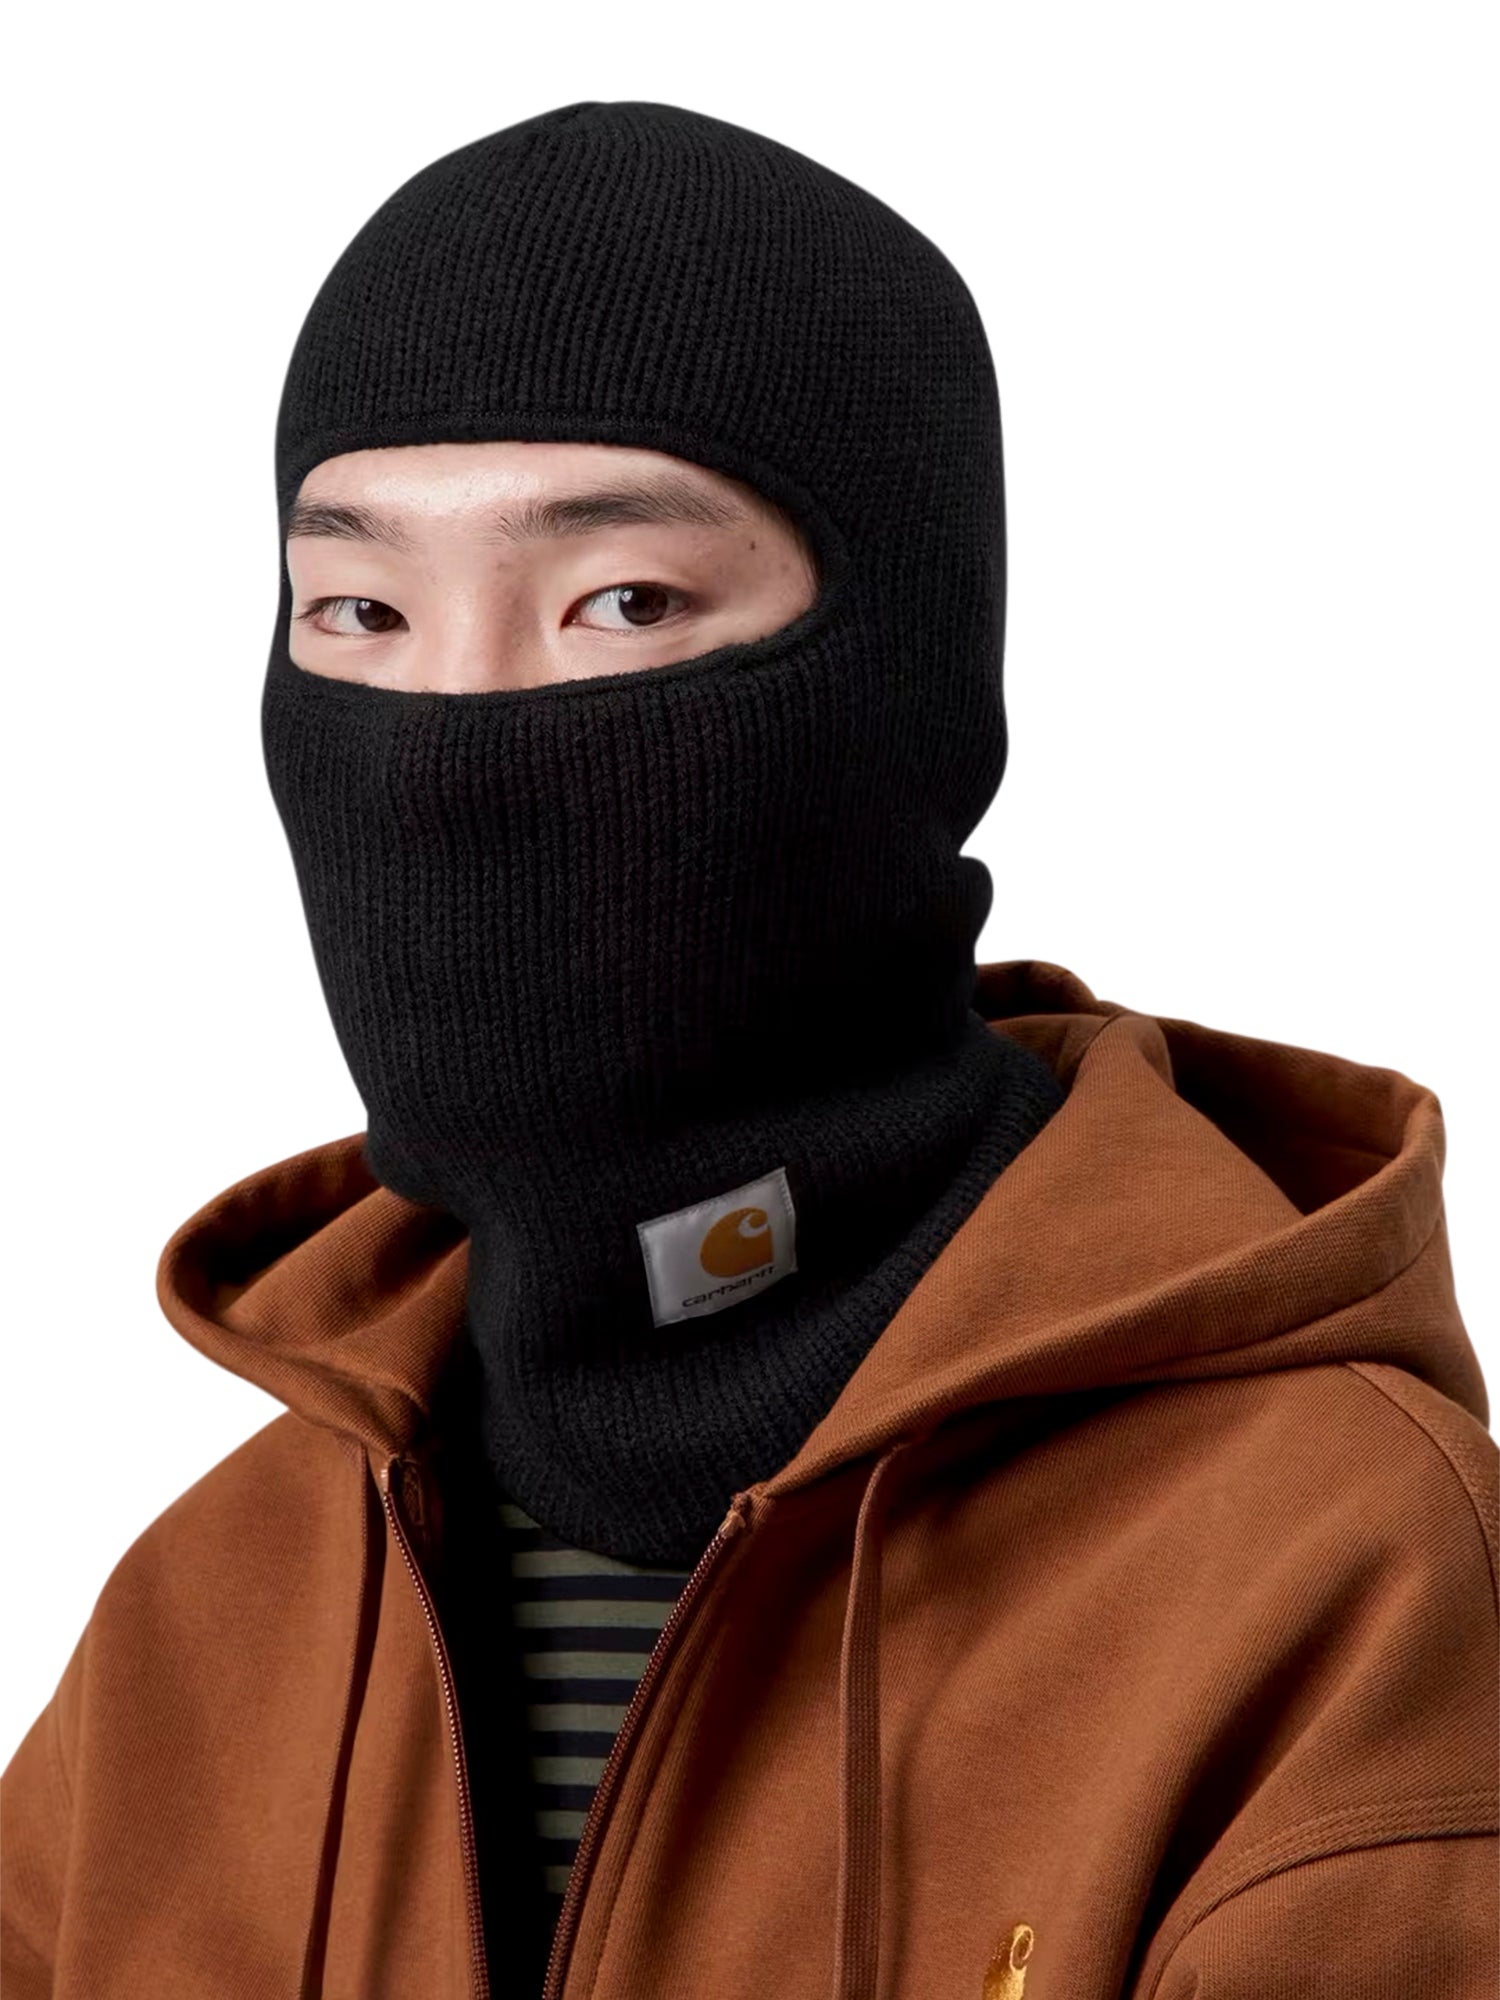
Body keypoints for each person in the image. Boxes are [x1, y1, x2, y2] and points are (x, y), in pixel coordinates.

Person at [2, 97, 1495, 2000]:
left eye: (621, 604)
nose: (452, 737)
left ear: (907, 684)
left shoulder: (1335, 1582)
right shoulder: (218, 1611)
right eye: (359, 611)